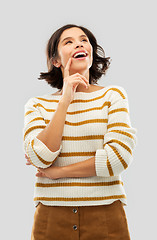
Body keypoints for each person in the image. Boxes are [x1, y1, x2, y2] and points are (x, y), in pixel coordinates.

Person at [23, 23, 137, 240]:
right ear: (56, 61)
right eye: (69, 42)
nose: (79, 44)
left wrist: (59, 172)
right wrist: (65, 100)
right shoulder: (37, 105)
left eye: (84, 40)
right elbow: (41, 157)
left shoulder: (112, 96)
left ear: (91, 53)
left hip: (106, 213)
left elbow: (118, 159)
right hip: (51, 215)